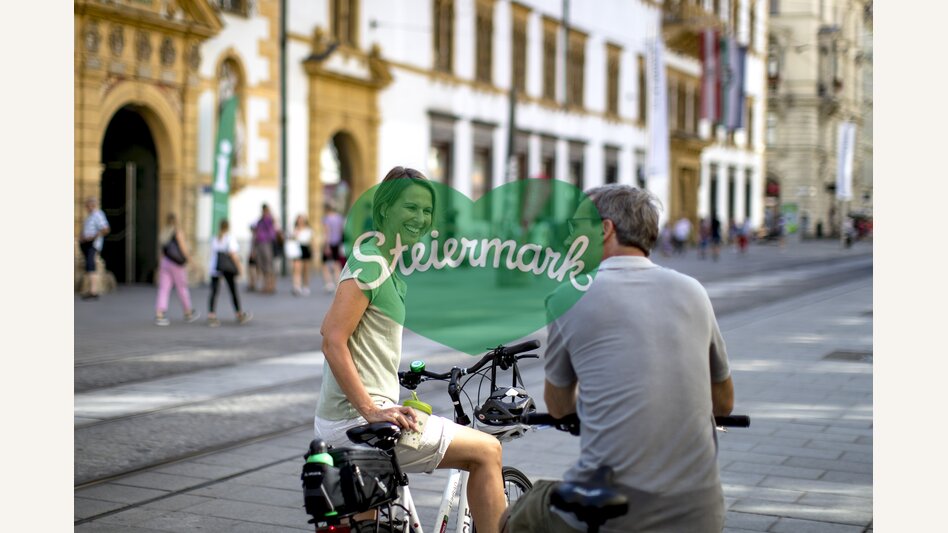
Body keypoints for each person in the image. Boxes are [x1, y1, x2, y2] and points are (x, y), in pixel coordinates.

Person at [503, 184, 734, 533]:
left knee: (519, 515)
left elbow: (559, 404)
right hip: (702, 513)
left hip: (613, 514)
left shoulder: (569, 293)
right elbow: (724, 401)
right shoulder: (693, 290)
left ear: (605, 229)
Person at [315, 167, 506, 533]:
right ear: (385, 209)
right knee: (487, 452)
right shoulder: (371, 265)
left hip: (345, 419)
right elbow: (332, 339)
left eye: (426, 210)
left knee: (364, 524)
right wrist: (372, 409)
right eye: (411, 208)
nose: (420, 218)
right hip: (356, 421)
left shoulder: (383, 262)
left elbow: (343, 333)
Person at [154, 213, 200, 326]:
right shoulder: (177, 232)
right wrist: (192, 263)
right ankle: (188, 312)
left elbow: (162, 251)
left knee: (163, 289)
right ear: (176, 221)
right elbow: (183, 249)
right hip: (177, 264)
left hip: (166, 263)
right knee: (182, 288)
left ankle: (160, 313)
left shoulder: (164, 233)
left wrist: (160, 265)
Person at [207, 219, 253, 327]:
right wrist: (240, 268)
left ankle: (211, 314)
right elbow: (233, 254)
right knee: (233, 291)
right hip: (227, 267)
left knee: (214, 291)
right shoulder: (229, 238)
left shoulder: (215, 238)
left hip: (215, 267)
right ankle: (239, 313)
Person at [79, 196, 110, 300]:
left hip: (92, 244)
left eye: (88, 205)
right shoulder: (90, 216)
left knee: (91, 266)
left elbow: (105, 229)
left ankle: (94, 290)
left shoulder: (98, 215)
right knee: (89, 267)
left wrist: (92, 237)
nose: (87, 208)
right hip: (87, 243)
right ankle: (90, 289)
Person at [253, 204, 279, 294]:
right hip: (260, 243)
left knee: (269, 266)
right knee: (263, 266)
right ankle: (266, 285)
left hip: (267, 243)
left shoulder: (269, 219)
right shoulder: (260, 220)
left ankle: (271, 285)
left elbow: (273, 230)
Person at [321, 202, 345, 292]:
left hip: (329, 243)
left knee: (325, 265)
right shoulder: (339, 218)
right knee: (337, 264)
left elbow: (327, 232)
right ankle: (338, 282)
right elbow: (341, 230)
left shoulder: (326, 219)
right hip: (338, 243)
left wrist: (326, 245)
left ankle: (329, 283)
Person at [289, 214, 313, 296]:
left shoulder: (308, 230)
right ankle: (297, 286)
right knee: (296, 269)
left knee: (305, 269)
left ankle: (306, 286)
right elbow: (292, 238)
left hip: (305, 248)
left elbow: (310, 240)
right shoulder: (295, 229)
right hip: (297, 249)